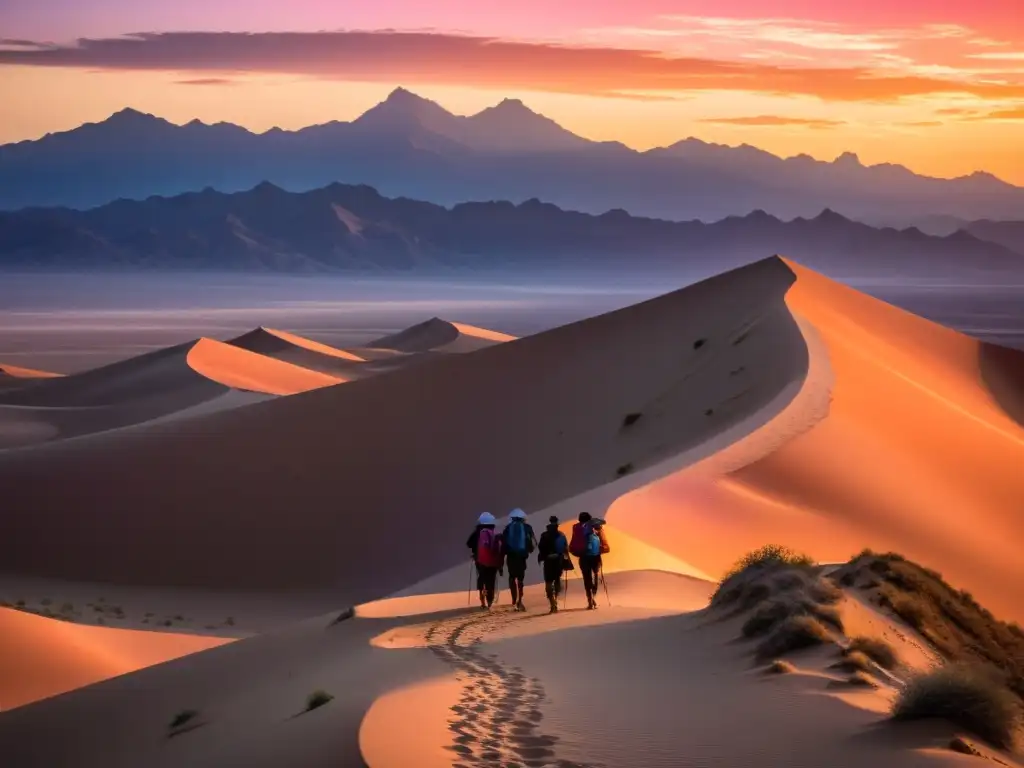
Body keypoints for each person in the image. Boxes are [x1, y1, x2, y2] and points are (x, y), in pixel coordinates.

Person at [569, 512, 610, 610]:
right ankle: (593, 595)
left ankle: (590, 599)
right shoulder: (596, 527)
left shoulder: (576, 528)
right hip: (595, 556)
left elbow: (574, 542)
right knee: (595, 575)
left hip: (583, 556)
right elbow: (604, 542)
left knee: (586, 578)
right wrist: (603, 548)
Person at [501, 508, 537, 611]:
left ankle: (513, 599)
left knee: (512, 577)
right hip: (522, 556)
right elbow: (534, 543)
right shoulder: (527, 527)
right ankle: (520, 600)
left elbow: (503, 544)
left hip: (511, 556)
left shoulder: (508, 528)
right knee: (521, 578)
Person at [466, 512, 503, 609]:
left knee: (481, 577)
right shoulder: (494, 532)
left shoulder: (477, 532)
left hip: (480, 560)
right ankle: (490, 601)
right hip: (493, 561)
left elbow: (469, 544)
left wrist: (475, 549)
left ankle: (482, 601)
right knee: (491, 580)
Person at [536, 515, 571, 613]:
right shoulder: (561, 535)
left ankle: (552, 603)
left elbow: (540, 548)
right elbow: (566, 549)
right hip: (558, 560)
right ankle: (555, 600)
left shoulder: (544, 535)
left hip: (548, 561)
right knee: (557, 580)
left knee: (548, 582)